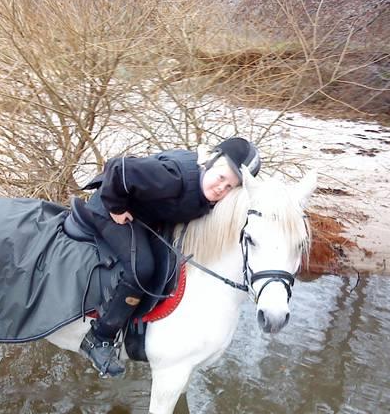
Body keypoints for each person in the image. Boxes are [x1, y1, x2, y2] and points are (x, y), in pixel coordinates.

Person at [81, 137, 261, 377]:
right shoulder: (174, 178)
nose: (221, 188)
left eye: (230, 187)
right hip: (109, 209)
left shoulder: (209, 192)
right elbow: (119, 168)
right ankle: (99, 337)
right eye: (221, 178)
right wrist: (116, 207)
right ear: (211, 161)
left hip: (145, 216)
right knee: (142, 268)